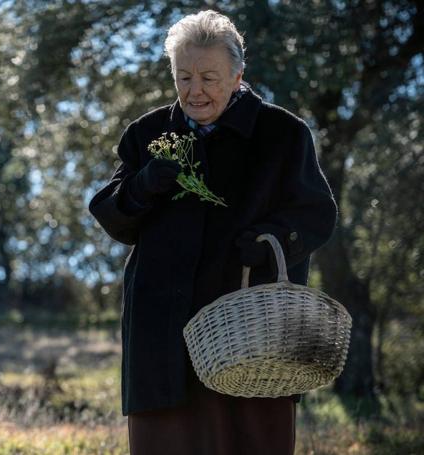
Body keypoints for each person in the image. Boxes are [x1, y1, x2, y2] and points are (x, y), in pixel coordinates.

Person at [88, 9, 338, 455]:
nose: (194, 90)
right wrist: (142, 184)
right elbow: (112, 216)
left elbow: (317, 215)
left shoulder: (283, 134)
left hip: (250, 336)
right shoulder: (148, 133)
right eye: (183, 77)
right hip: (161, 338)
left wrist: (272, 242)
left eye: (209, 77)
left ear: (239, 74)